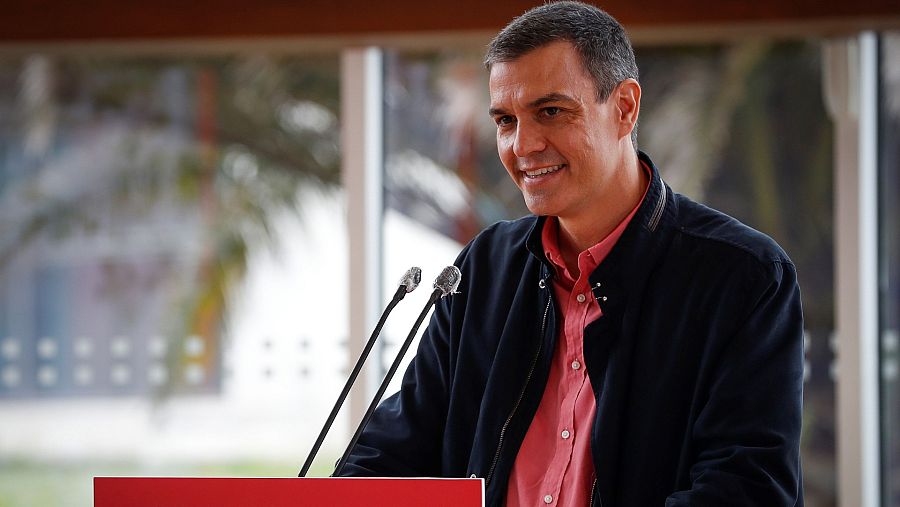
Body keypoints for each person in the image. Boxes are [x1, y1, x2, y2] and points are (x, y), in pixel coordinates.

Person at [339, 2, 804, 506]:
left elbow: (748, 490)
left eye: (551, 112)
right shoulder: (484, 268)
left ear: (624, 108)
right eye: (504, 120)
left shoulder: (745, 276)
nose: (523, 145)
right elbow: (388, 456)